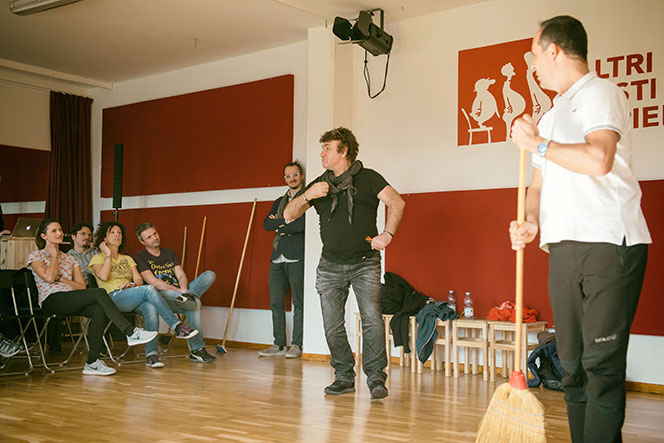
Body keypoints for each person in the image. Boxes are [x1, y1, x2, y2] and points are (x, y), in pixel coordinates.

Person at [509, 16, 651, 443]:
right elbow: (536, 187)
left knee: (600, 365)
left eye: (534, 55)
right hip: (564, 247)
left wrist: (537, 144)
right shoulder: (550, 117)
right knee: (571, 366)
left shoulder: (601, 93)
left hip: (609, 241)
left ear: (553, 51)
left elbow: (599, 159)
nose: (532, 65)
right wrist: (530, 221)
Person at [284, 127, 405, 400]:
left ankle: (376, 377)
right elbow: (289, 214)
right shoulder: (319, 184)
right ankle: (343, 376)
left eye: (327, 148)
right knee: (332, 325)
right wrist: (308, 195)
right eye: (322, 148)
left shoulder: (369, 177)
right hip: (329, 265)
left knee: (372, 319)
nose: (322, 153)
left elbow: (397, 202)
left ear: (344, 151)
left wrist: (387, 234)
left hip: (365, 263)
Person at [26, 219, 158, 376]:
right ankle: (130, 332)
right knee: (99, 292)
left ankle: (92, 362)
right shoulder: (36, 255)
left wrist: (63, 280)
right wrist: (54, 257)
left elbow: (81, 286)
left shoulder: (70, 258)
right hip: (51, 300)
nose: (59, 233)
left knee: (98, 310)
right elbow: (49, 278)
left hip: (71, 297)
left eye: (60, 229)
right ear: (43, 236)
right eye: (54, 231)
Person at [89, 221, 199, 369]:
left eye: (119, 232)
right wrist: (108, 255)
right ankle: (176, 325)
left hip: (130, 295)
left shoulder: (128, 259)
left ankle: (151, 355)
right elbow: (103, 276)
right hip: (111, 298)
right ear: (104, 238)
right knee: (149, 289)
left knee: (150, 308)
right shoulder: (97, 259)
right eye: (112, 232)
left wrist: (131, 285)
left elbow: (139, 280)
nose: (117, 235)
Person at [134, 222, 217, 364]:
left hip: (180, 294)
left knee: (209, 274)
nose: (154, 238)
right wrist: (177, 290)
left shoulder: (169, 253)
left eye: (155, 234)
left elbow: (181, 275)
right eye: (149, 237)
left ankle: (189, 296)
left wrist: (184, 290)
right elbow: (153, 282)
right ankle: (197, 349)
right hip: (160, 296)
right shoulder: (140, 256)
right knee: (195, 303)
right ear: (142, 242)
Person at [259, 161, 306, 358]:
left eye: (295, 175)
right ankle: (278, 345)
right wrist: (287, 221)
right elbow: (266, 225)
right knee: (276, 302)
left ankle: (297, 345)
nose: (291, 179)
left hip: (297, 256)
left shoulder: (306, 198)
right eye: (288, 176)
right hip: (277, 256)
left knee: (299, 303)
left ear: (301, 176)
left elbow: (301, 225)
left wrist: (279, 225)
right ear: (284, 179)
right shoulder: (279, 201)